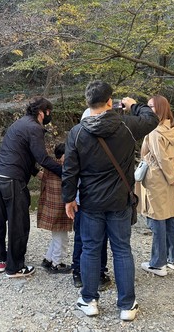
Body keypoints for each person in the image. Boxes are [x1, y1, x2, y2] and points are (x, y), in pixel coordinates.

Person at [62, 81, 157, 321]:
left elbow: (70, 170)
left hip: (91, 201)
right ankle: (126, 305)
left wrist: (68, 198)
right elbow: (152, 119)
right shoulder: (126, 125)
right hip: (120, 200)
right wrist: (134, 106)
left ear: (87, 102)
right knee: (122, 249)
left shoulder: (78, 131)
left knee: (91, 249)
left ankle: (89, 299)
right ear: (109, 101)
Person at [0, 96, 62, 278]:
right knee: (18, 223)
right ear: (42, 112)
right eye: (49, 112)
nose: (49, 116)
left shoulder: (19, 124)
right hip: (13, 180)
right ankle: (15, 267)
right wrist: (65, 172)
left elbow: (21, 153)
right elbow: (42, 157)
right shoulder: (34, 127)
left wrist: (37, 173)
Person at [137, 95, 174, 277]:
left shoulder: (155, 131)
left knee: (156, 219)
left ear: (160, 109)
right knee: (170, 217)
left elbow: (159, 157)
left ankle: (158, 263)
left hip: (156, 178)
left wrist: (170, 176)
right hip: (169, 177)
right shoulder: (172, 128)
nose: (148, 109)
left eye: (151, 106)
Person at [70, 108, 111, 289]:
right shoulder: (107, 141)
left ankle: (79, 272)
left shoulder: (77, 139)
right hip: (99, 199)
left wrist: (69, 197)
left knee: (83, 237)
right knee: (99, 238)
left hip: (83, 198)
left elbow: (70, 172)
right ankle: (98, 273)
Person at [37, 143, 74, 274]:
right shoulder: (64, 167)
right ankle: (56, 264)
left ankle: (48, 259)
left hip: (51, 205)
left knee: (58, 235)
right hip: (60, 207)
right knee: (61, 237)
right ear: (64, 156)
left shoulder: (50, 165)